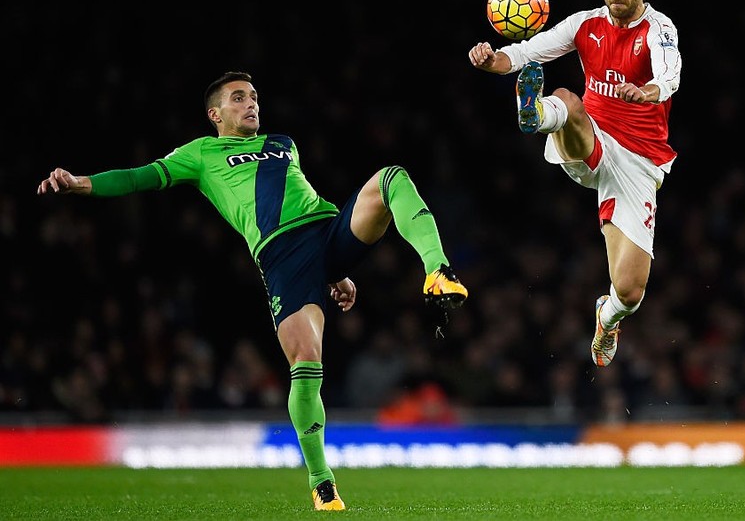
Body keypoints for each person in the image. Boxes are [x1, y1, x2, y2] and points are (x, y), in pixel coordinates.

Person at [36, 70, 468, 511]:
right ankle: (323, 483)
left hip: (326, 230)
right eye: (239, 98)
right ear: (215, 113)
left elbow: (300, 196)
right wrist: (81, 183)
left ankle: (438, 270)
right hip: (282, 256)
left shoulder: (284, 143)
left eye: (254, 97)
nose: (251, 104)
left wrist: (335, 270)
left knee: (390, 177)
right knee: (305, 360)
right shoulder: (201, 154)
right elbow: (138, 177)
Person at [468, 0, 681, 368]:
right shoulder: (585, 25)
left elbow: (670, 72)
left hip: (639, 161)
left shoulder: (658, 29)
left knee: (630, 290)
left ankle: (607, 319)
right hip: (591, 139)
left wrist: (647, 92)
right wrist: (492, 60)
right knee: (568, 100)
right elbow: (527, 51)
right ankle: (537, 113)